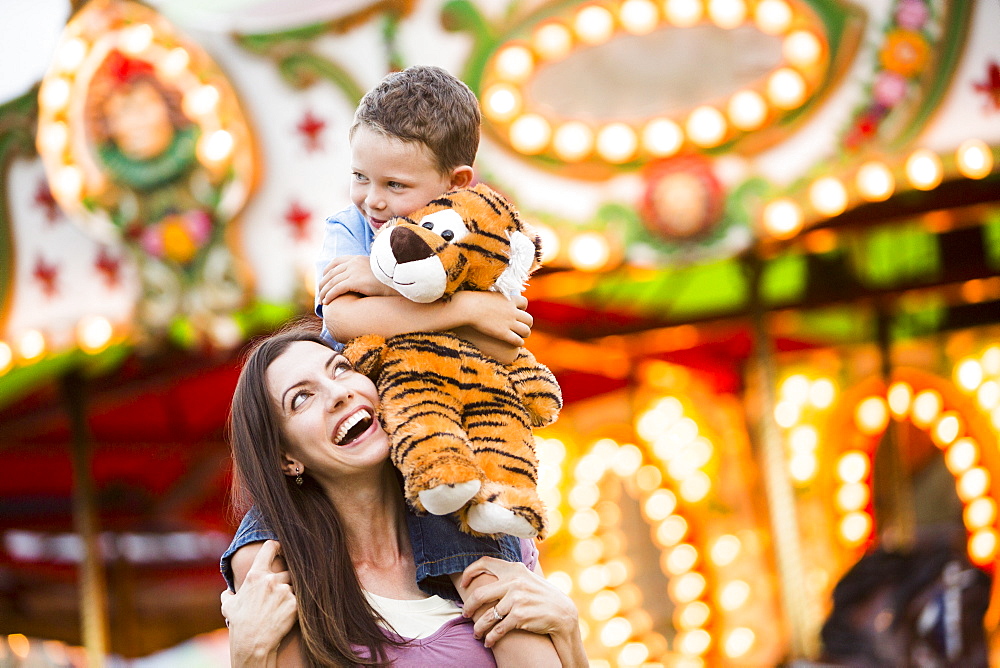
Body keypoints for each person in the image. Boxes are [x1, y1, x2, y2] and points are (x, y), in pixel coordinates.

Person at [223, 65, 555, 663]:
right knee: (268, 545)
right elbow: (344, 322)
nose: (372, 199)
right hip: (397, 409)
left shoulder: (471, 229)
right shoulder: (351, 227)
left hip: (438, 433)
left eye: (395, 185)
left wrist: (467, 303)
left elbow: (508, 344)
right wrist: (464, 308)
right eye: (357, 176)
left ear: (454, 184)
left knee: (488, 547)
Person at [219, 323, 586, 666]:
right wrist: (248, 657)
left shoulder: (482, 523)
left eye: (341, 368)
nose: (339, 393)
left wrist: (568, 631)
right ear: (287, 458)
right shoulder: (286, 585)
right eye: (301, 398)